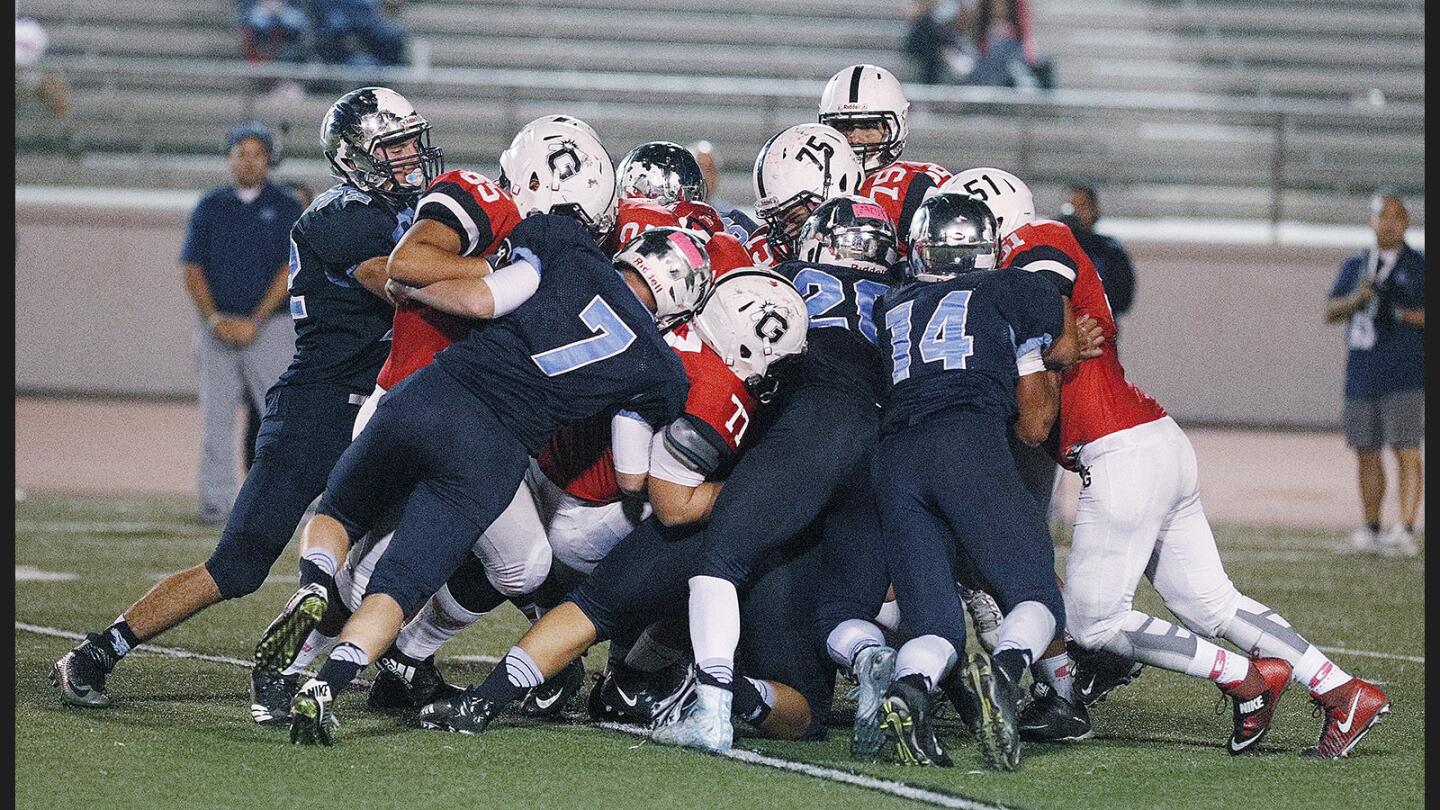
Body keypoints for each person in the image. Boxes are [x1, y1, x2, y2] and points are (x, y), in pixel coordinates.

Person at [280, 124, 711, 746]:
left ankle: (314, 586)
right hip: (492, 449)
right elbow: (629, 472)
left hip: (428, 395)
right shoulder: (661, 369)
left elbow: (485, 300)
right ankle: (329, 683)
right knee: (402, 583)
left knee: (343, 513)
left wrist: (408, 292)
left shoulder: (564, 246)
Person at [979, 167, 1392, 760]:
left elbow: (1043, 359)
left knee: (1094, 623)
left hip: (1118, 450)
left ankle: (1245, 678)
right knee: (1211, 604)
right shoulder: (1032, 253)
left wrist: (1044, 347)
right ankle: (1343, 691)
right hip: (1154, 439)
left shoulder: (1034, 242)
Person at [48, 88, 440, 712]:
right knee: (237, 567)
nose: (412, 156)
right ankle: (99, 650)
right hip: (318, 408)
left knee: (408, 549)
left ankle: (331, 666)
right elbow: (404, 286)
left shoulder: (399, 210)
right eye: (395, 146)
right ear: (354, 156)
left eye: (413, 142)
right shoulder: (340, 217)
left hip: (377, 409)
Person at [870, 193, 1093, 770]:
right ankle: (1006, 671)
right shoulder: (1007, 286)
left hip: (894, 457)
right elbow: (1064, 344)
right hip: (965, 440)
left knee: (936, 621)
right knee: (1038, 593)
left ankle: (909, 690)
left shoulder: (893, 301)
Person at [179, 121, 302, 524]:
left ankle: (284, 504)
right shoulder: (210, 205)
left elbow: (290, 268)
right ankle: (216, 503)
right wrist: (214, 317)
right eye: (240, 152)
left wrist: (256, 318)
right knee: (216, 420)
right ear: (228, 158)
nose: (248, 161)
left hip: (271, 328)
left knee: (279, 420)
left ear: (269, 160)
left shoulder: (286, 206)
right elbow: (192, 267)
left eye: (256, 153)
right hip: (217, 328)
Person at [1325, 192, 1424, 557]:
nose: (1389, 223)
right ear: (1372, 222)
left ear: (1406, 223)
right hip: (1362, 372)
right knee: (1366, 451)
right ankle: (1371, 525)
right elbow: (1330, 311)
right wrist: (1356, 301)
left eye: (1396, 217)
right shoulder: (1356, 265)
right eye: (1383, 216)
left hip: (1404, 373)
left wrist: (1396, 313)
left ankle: (1406, 528)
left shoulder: (1419, 267)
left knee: (1407, 449)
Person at [818, 64, 953, 251]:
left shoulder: (917, 185)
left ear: (896, 126)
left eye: (868, 126)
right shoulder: (810, 178)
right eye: (843, 126)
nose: (854, 137)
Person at [1060, 184, 1136, 319]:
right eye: (1071, 207)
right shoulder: (1056, 248)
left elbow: (1122, 298)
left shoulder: (1109, 250)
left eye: (1082, 206)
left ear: (1094, 209)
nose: (1075, 213)